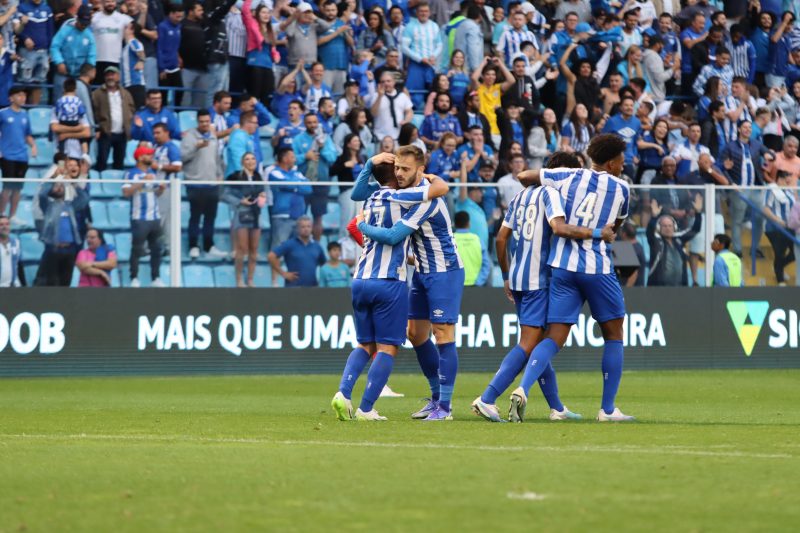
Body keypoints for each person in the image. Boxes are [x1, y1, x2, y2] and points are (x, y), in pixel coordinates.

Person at [473, 150, 615, 423]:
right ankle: (487, 398)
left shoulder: (520, 196)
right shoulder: (552, 194)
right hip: (541, 279)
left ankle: (557, 408)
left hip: (518, 278)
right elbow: (559, 228)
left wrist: (505, 274)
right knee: (529, 344)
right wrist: (598, 233)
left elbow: (501, 239)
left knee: (538, 342)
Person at [512, 134, 635, 423]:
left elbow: (524, 175)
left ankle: (522, 387)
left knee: (554, 336)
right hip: (596, 268)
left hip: (562, 267)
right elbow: (615, 226)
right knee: (614, 334)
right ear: (612, 163)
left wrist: (552, 184)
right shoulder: (622, 188)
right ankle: (607, 410)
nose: (623, 165)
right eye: (621, 161)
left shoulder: (567, 174)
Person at [331, 155, 441, 422]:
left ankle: (343, 393)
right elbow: (437, 191)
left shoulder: (369, 199)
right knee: (387, 348)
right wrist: (427, 177)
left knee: (364, 344)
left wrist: (370, 163)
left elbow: (357, 192)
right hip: (388, 282)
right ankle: (366, 409)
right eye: (400, 168)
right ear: (396, 174)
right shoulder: (404, 198)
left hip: (360, 279)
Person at [356, 146, 461, 421]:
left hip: (444, 272)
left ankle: (445, 407)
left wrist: (361, 226)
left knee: (443, 334)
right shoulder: (405, 195)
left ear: (420, 170)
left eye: (405, 169)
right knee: (415, 334)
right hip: (423, 271)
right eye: (397, 168)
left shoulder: (422, 200)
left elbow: (393, 235)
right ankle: (436, 397)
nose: (399, 174)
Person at [35, 158, 89, 287]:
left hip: (69, 250)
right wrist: (53, 178)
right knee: (53, 282)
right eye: (56, 186)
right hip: (54, 249)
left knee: (66, 282)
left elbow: (84, 198)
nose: (59, 188)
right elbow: (42, 194)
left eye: (61, 186)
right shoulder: (48, 206)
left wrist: (73, 182)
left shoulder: (71, 206)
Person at [181, 109, 226, 259]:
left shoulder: (213, 136)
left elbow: (217, 158)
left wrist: (220, 175)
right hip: (195, 183)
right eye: (202, 122)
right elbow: (183, 157)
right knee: (195, 217)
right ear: (197, 121)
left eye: (207, 121)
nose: (205, 124)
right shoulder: (189, 137)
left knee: (210, 217)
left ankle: (209, 245)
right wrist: (196, 147)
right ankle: (193, 246)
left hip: (212, 183)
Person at [123, 145, 166, 288]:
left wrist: (161, 189)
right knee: (137, 249)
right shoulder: (131, 174)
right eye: (148, 154)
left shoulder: (152, 173)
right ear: (140, 157)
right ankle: (134, 277)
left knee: (156, 248)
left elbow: (155, 193)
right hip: (139, 217)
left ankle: (156, 277)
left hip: (154, 217)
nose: (151, 157)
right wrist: (142, 181)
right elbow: (126, 192)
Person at [223, 152, 266, 287]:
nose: (250, 161)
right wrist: (240, 201)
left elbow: (263, 193)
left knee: (254, 249)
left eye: (253, 158)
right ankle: (239, 279)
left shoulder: (259, 177)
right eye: (247, 159)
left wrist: (262, 196)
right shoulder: (235, 176)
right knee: (242, 248)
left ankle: (250, 279)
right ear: (242, 162)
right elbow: (224, 194)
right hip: (241, 213)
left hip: (256, 214)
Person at [293, 113, 337, 241]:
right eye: (309, 122)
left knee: (318, 217)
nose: (312, 125)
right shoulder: (298, 139)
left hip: (321, 183)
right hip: (303, 183)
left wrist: (322, 148)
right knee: (300, 216)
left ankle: (316, 246)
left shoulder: (325, 139)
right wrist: (304, 157)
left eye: (314, 122)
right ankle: (300, 245)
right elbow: (291, 160)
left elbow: (332, 158)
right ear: (304, 124)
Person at [646, 196, 704, 287]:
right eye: (664, 226)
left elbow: (695, 229)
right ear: (659, 228)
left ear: (674, 227)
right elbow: (650, 231)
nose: (668, 228)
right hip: (658, 289)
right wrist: (654, 217)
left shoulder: (679, 239)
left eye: (670, 226)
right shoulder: (655, 241)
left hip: (680, 288)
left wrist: (698, 213)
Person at [0, 87, 37, 224]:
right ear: (11, 98)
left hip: (22, 156)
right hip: (7, 155)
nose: (23, 98)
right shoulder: (3, 113)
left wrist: (33, 146)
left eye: (24, 95)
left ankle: (13, 215)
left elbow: (27, 134)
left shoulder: (25, 115)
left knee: (18, 188)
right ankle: (1, 214)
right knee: (7, 186)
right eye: (19, 95)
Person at [267, 147, 312, 252]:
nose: (295, 160)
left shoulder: (297, 173)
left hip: (299, 218)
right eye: (292, 157)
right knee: (278, 249)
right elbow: (285, 184)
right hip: (282, 217)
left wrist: (293, 187)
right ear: (284, 158)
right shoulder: (274, 173)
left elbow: (308, 188)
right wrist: (298, 185)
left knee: (297, 251)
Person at [92, 66, 136, 172]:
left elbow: (132, 109)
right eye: (108, 75)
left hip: (122, 133)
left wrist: (129, 123)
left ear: (118, 77)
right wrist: (97, 128)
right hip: (105, 132)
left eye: (112, 74)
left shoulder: (125, 93)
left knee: (119, 162)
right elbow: (93, 112)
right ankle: (99, 184)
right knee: (101, 161)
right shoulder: (97, 93)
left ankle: (117, 187)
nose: (110, 77)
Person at [50, 5, 96, 101]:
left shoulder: (89, 35)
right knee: (59, 100)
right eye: (82, 23)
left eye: (86, 24)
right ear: (77, 18)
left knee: (81, 101)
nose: (83, 26)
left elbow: (92, 55)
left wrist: (88, 69)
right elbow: (55, 46)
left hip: (79, 75)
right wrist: (59, 62)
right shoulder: (66, 30)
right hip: (63, 73)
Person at [400, 2, 442, 108]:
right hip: (416, 65)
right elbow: (404, 47)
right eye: (421, 11)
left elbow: (439, 45)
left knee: (433, 91)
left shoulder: (434, 26)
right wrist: (419, 59)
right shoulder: (410, 26)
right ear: (417, 13)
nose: (424, 14)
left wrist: (434, 56)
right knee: (414, 93)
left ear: (429, 13)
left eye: (426, 11)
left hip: (431, 65)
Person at [268, 215, 326, 287]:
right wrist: (283, 273)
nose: (306, 229)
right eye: (303, 227)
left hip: (312, 287)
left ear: (312, 228)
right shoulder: (289, 244)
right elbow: (271, 256)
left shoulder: (317, 246)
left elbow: (324, 265)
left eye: (308, 226)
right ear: (298, 228)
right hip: (293, 288)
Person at [762, 172, 797, 285]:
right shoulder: (772, 190)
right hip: (775, 227)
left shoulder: (790, 191)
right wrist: (779, 221)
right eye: (787, 180)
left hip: (790, 227)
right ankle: (780, 278)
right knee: (780, 252)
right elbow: (766, 209)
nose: (789, 183)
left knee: (795, 252)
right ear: (780, 179)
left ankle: (779, 267)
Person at [91, 0, 131, 83]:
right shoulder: (94, 17)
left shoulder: (123, 18)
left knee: (114, 87)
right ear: (102, 3)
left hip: (116, 59)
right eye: (107, 1)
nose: (110, 4)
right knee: (99, 88)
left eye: (112, 1)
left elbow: (137, 27)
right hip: (98, 59)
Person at [452, 210, 489, 287]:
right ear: (469, 223)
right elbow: (486, 265)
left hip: (455, 285)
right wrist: (478, 282)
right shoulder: (478, 240)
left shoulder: (450, 240)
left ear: (454, 224)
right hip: (475, 286)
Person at [156, 4, 183, 100]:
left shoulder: (179, 27)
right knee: (163, 94)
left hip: (175, 65)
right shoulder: (162, 26)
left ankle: (177, 112)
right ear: (171, 14)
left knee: (180, 90)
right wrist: (161, 68)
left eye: (181, 17)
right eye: (177, 16)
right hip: (165, 66)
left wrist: (178, 56)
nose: (179, 19)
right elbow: (159, 47)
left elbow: (176, 46)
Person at [0, 215, 21, 287]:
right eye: (1, 225)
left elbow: (18, 265)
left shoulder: (16, 243)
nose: (4, 227)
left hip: (13, 286)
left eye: (7, 224)